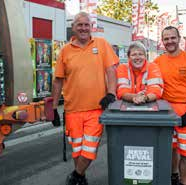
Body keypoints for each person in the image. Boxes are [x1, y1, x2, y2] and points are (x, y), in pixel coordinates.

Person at [51, 12, 119, 185]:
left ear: (91, 27)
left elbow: (111, 70)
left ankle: (76, 176)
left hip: (96, 109)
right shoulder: (65, 51)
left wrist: (111, 93)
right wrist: (53, 108)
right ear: (73, 27)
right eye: (79, 25)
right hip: (72, 109)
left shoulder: (101, 44)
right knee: (77, 150)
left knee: (89, 149)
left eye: (86, 25)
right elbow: (58, 81)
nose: (83, 28)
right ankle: (80, 179)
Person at [154, 26, 186, 185]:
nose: (169, 41)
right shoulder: (158, 62)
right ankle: (174, 175)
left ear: (179, 39)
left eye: (172, 38)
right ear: (162, 41)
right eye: (166, 39)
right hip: (165, 112)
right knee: (171, 148)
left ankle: (184, 182)